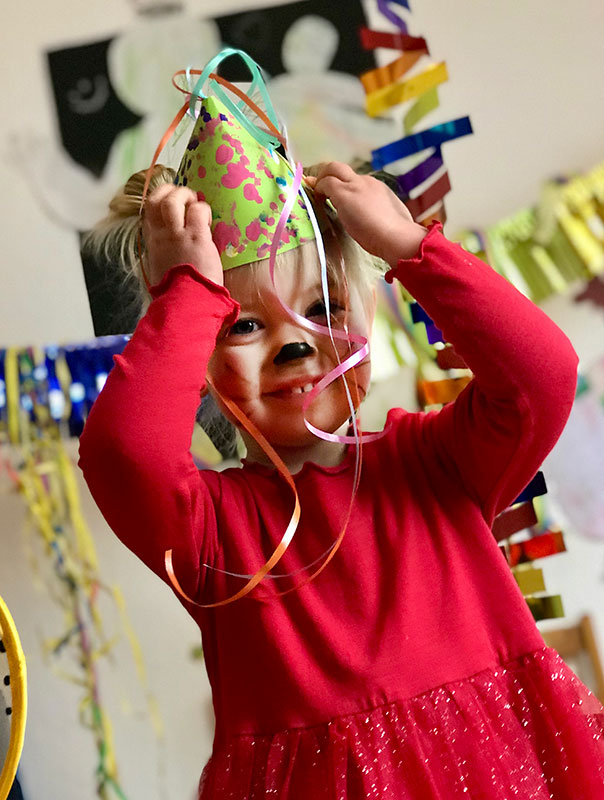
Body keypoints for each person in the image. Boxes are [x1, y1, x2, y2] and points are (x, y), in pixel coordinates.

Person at [79, 56, 604, 800]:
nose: (296, 344)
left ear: (366, 318)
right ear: (198, 360)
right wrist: (187, 295)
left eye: (322, 309)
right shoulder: (212, 532)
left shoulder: (438, 463)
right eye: (245, 325)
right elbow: (124, 455)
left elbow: (541, 376)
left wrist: (409, 247)